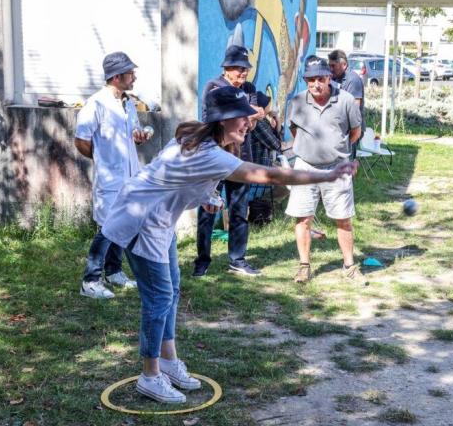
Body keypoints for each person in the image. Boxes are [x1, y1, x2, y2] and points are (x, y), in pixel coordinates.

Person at [100, 86, 357, 404]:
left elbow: (176, 173)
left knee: (172, 292)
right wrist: (327, 175)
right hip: (139, 220)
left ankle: (167, 361)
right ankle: (149, 376)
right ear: (222, 121)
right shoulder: (208, 150)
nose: (248, 123)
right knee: (159, 298)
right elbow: (269, 176)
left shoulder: (197, 137)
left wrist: (207, 196)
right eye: (242, 118)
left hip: (159, 221)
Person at [74, 51, 151, 298]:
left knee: (122, 226)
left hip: (130, 178)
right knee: (107, 230)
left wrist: (139, 136)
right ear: (116, 76)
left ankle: (114, 271)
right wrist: (101, 159)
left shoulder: (128, 103)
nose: (134, 76)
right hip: (109, 181)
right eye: (130, 73)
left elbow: (134, 133)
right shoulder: (96, 104)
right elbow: (81, 140)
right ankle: (90, 281)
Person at [285, 56, 364, 283]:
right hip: (305, 168)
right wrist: (310, 149)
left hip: (337, 167)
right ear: (305, 80)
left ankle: (349, 266)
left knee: (343, 219)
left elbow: (355, 132)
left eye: (320, 78)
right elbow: (294, 130)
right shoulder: (298, 101)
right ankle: (304, 266)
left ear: (329, 77)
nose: (316, 84)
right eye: (310, 80)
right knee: (303, 219)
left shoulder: (346, 100)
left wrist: (336, 150)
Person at [193, 45, 265, 277]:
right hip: (215, 157)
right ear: (227, 68)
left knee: (239, 210)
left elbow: (251, 121)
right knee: (207, 211)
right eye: (238, 69)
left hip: (240, 158)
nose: (243, 74)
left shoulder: (249, 88)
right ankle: (202, 260)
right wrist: (250, 112)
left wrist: (249, 114)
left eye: (245, 69)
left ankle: (237, 259)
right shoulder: (214, 86)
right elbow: (223, 117)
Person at [328, 49, 365, 156]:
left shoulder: (353, 80)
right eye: (329, 65)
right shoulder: (333, 78)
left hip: (352, 129)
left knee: (346, 162)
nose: (330, 69)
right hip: (337, 126)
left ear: (344, 65)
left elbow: (355, 107)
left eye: (333, 66)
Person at [249, 91, 282, 168]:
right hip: (259, 166)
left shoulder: (263, 120)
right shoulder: (258, 123)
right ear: (262, 107)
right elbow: (276, 144)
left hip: (262, 165)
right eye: (268, 104)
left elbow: (278, 133)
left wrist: (277, 118)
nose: (269, 107)